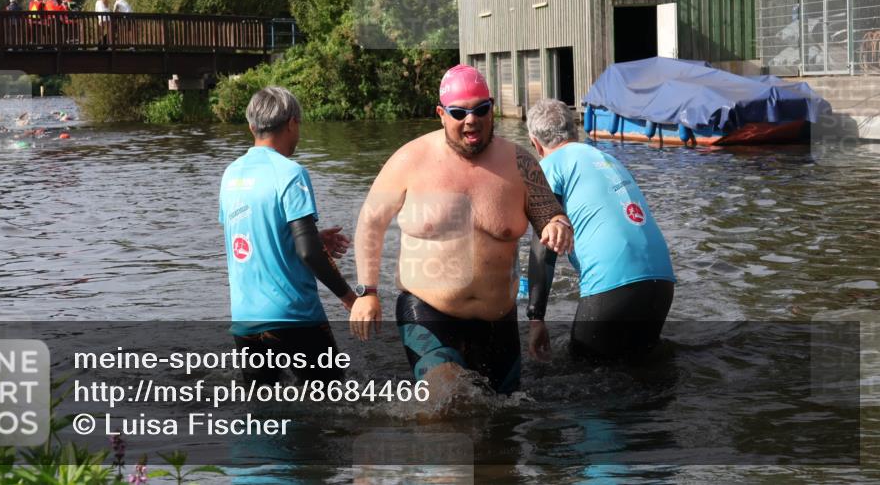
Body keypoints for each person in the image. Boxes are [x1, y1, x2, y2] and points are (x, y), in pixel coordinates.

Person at [350, 65, 573, 395]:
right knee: (445, 401)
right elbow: (371, 222)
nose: (471, 120)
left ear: (492, 108)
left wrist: (559, 226)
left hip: (498, 317)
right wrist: (367, 293)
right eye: (459, 112)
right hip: (428, 309)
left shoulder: (520, 163)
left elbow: (550, 215)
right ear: (441, 114)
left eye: (480, 110)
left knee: (504, 418)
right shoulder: (410, 160)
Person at [219, 86, 357, 386]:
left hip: (246, 322)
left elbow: (253, 236)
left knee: (263, 413)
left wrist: (314, 236)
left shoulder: (231, 174)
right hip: (294, 317)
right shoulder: (290, 173)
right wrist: (349, 298)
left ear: (251, 126)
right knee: (334, 406)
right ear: (292, 122)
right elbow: (308, 252)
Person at [524, 98, 675, 361]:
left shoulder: (549, 165)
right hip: (662, 280)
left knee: (586, 374)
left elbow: (543, 246)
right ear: (575, 131)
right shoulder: (607, 159)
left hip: (613, 282)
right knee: (643, 370)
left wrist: (536, 317)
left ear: (535, 144)